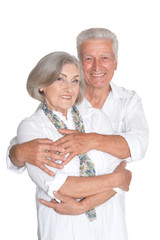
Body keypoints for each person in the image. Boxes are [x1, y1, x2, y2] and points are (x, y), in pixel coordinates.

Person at [15, 51, 131, 240]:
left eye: (75, 81)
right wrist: (116, 181)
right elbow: (61, 187)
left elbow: (120, 169)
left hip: (110, 227)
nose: (69, 88)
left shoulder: (97, 118)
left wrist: (83, 205)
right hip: (64, 228)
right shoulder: (31, 128)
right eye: (60, 79)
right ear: (42, 84)